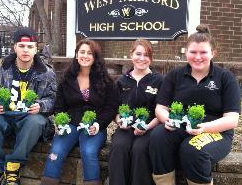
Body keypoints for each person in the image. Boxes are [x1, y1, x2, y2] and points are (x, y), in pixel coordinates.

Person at [149, 24, 241, 185]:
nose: (198, 57)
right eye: (193, 52)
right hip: (181, 126)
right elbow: (161, 108)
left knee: (191, 150)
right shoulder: (174, 75)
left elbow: (232, 119)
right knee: (158, 137)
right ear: (186, 52)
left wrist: (204, 128)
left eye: (203, 52)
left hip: (215, 132)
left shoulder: (226, 78)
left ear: (213, 53)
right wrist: (167, 119)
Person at [0, 27, 57, 185]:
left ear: (36, 49)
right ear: (15, 47)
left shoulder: (47, 73)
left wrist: (40, 106)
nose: (25, 50)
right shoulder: (2, 70)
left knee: (37, 121)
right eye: (21, 46)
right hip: (5, 117)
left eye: (30, 47)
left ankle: (13, 167)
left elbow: (53, 99)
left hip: (29, 119)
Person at [41, 39, 118, 185]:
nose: (85, 56)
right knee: (56, 152)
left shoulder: (106, 80)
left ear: (95, 57)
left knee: (89, 153)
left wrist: (98, 124)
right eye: (82, 52)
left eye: (90, 53)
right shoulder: (67, 78)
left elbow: (111, 107)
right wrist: (60, 121)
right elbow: (59, 106)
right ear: (76, 55)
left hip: (94, 127)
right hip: (70, 124)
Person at [109, 39, 163, 185]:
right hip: (126, 128)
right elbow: (115, 109)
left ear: (151, 58)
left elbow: (162, 110)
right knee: (119, 147)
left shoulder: (159, 80)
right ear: (131, 54)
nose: (142, 58)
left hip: (150, 127)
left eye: (146, 55)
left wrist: (147, 127)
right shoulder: (122, 81)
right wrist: (120, 121)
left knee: (140, 150)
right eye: (138, 54)